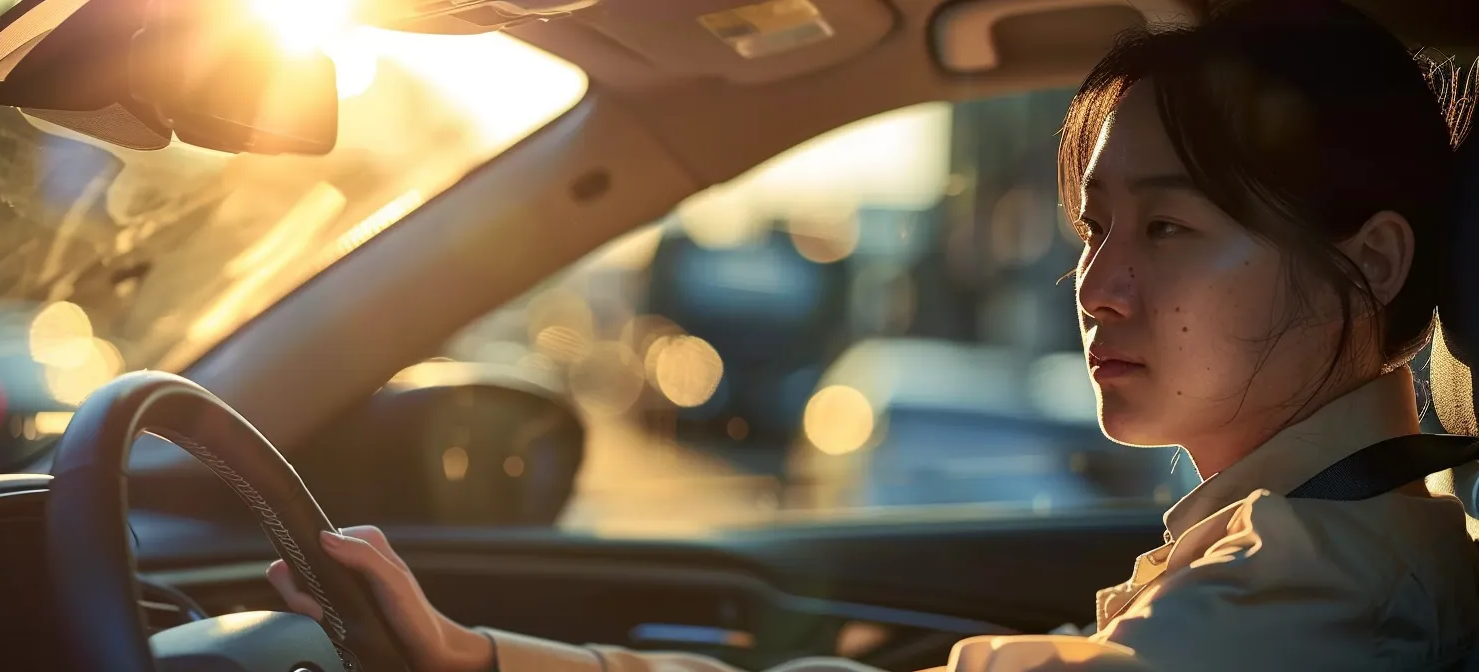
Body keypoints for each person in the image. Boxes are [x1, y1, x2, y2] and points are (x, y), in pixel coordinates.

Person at [269, 1, 1479, 669]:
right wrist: (469, 660)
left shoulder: (1312, 595)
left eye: (1166, 227)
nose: (1097, 284)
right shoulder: (1287, 555)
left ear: (1367, 261)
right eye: (1093, 226)